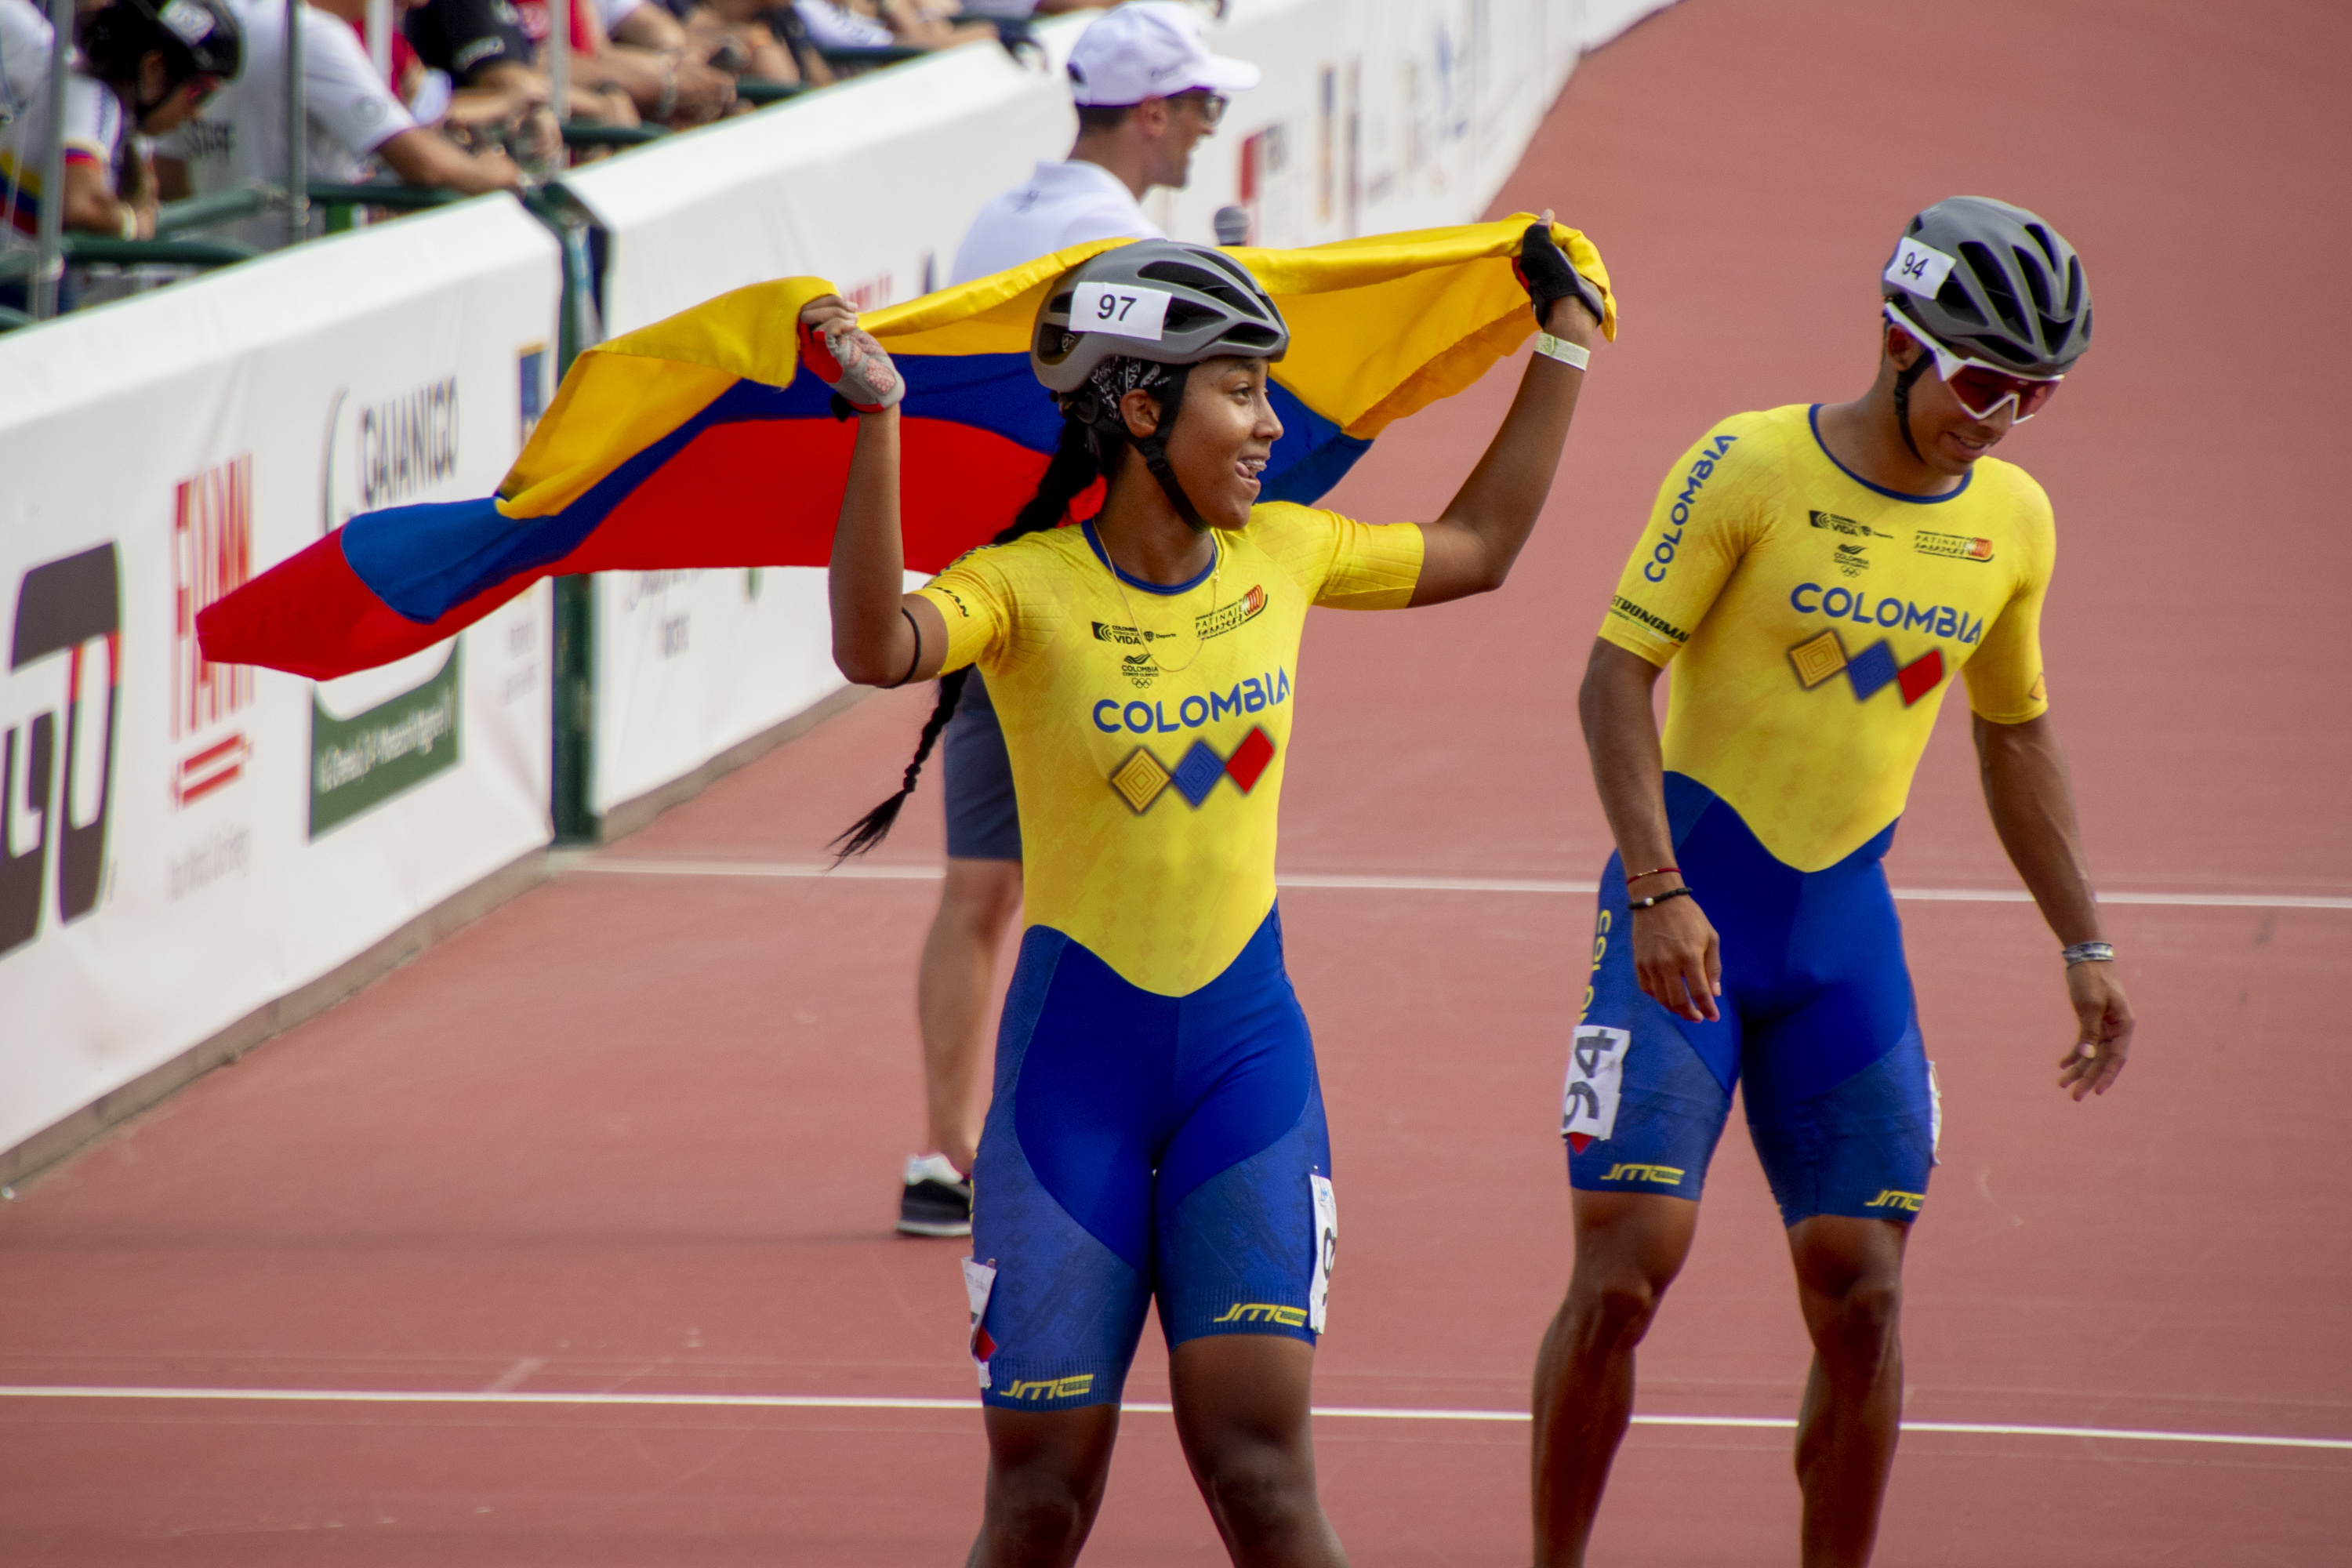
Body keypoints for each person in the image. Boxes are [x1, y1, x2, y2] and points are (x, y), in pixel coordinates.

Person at [812, 226, 1604, 1564]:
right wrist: (875, 425)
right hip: (1073, 1088)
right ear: (1139, 406)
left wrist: (1564, 345)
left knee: (1260, 1471)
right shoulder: (1023, 588)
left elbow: (1478, 544)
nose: (1269, 422)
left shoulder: (1286, 555)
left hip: (1246, 1069)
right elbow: (874, 644)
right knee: (1041, 1497)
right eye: (1241, 389)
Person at [1532, 197, 2136, 1568]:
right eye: (1982, 383)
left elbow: (2016, 730)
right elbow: (1614, 677)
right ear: (1897, 340)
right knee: (1626, 1272)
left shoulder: (2015, 521)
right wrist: (1655, 886)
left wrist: (2083, 941)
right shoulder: (1747, 464)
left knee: (1861, 1298)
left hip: (1842, 941)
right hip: (1685, 915)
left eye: (2033, 398)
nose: (1997, 420)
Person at [890, 0, 1260, 1240]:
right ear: (1150, 112)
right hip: (1084, 597)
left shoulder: (1007, 216)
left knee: (981, 887)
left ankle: (946, 1152)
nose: (1211, 125)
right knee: (1117, 869)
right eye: (1203, 104)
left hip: (996, 584)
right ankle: (1104, 1136)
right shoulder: (1121, 250)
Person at [154, 0, 521, 251]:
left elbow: (168, 174)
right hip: (298, 283)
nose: (420, 3)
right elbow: (424, 164)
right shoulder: (309, 33)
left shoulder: (212, 16)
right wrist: (490, 173)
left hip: (224, 284)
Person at [1, 0, 234, 304]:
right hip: (16, 291)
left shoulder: (114, 110)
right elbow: (82, 206)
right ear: (154, 71)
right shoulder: (91, 96)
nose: (198, 115)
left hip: (28, 286)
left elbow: (142, 197)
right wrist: (133, 225)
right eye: (199, 93)